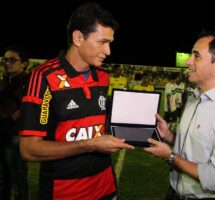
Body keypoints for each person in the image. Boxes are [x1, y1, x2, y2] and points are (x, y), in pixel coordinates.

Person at [19, 3, 134, 200]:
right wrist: (88, 145)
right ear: (78, 38)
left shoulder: (103, 77)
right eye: (102, 42)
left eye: (110, 43)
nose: (108, 51)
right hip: (65, 193)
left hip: (106, 189)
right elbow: (29, 149)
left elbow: (98, 126)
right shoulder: (44, 77)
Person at [144, 31, 215, 200]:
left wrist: (170, 156)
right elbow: (192, 147)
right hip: (173, 193)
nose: (188, 61)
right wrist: (168, 135)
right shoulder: (194, 98)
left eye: (196, 56)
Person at [0, 45, 29, 200]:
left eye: (12, 60)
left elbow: (9, 109)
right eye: (5, 59)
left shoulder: (27, 81)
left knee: (17, 179)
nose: (7, 62)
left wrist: (10, 111)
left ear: (24, 63)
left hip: (15, 136)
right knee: (4, 178)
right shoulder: (5, 80)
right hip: (3, 133)